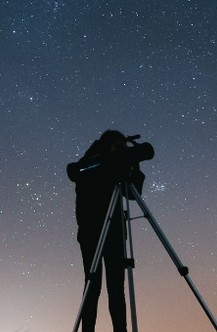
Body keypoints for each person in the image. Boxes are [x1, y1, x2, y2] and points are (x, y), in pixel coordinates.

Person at [67, 130, 147, 332]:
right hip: (92, 231)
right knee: (92, 285)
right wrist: (111, 162)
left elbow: (132, 194)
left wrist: (133, 167)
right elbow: (79, 176)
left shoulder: (116, 164)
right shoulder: (92, 162)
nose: (122, 151)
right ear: (108, 145)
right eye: (118, 147)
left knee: (116, 289)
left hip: (115, 232)